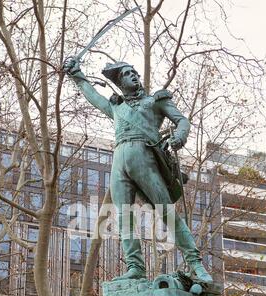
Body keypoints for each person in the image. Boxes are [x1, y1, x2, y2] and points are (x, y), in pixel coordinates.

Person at [63, 58, 212, 284]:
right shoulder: (117, 107)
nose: (133, 76)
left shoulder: (155, 101)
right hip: (118, 162)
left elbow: (182, 121)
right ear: (120, 81)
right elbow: (93, 96)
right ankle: (135, 267)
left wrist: (179, 138)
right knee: (124, 218)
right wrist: (76, 74)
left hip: (144, 157)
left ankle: (196, 264)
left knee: (166, 212)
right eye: (127, 73)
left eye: (134, 73)